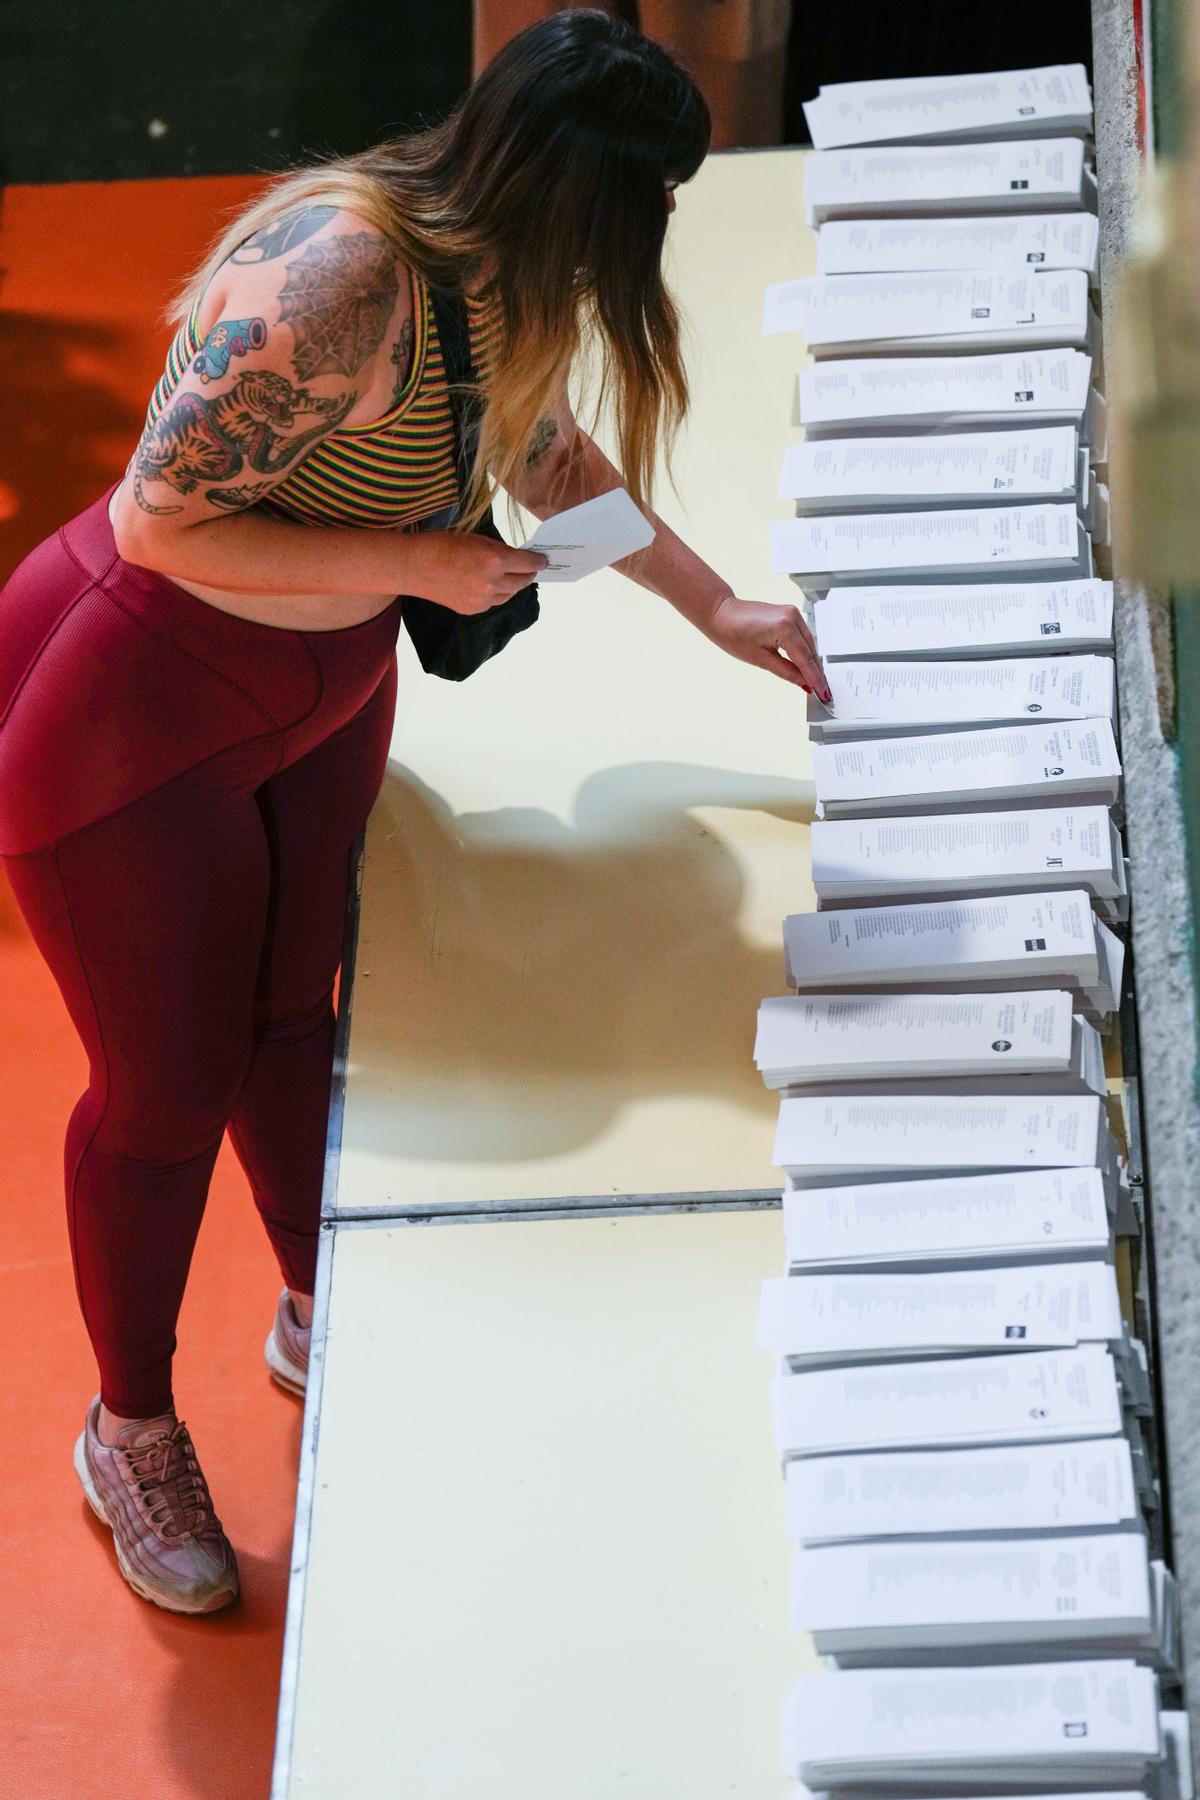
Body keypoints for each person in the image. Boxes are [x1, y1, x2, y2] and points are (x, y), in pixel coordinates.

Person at [0, 7, 828, 1617]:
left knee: (291, 1022)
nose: (660, 228)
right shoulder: (334, 279)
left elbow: (541, 446)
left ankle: (324, 1298)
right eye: (647, 200)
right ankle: (129, 1425)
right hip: (135, 718)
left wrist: (710, 606)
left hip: (315, 700)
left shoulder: (501, 272)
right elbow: (163, 527)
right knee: (163, 1092)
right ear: (570, 187)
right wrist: (420, 564)